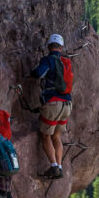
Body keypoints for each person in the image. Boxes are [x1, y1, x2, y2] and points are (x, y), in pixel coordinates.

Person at [30, 33, 73, 178]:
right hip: (67, 104)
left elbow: (38, 73)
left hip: (53, 103)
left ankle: (54, 166)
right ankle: (60, 165)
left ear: (49, 46)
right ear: (61, 47)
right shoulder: (66, 62)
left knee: (45, 135)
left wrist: (30, 73)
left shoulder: (48, 59)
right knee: (57, 135)